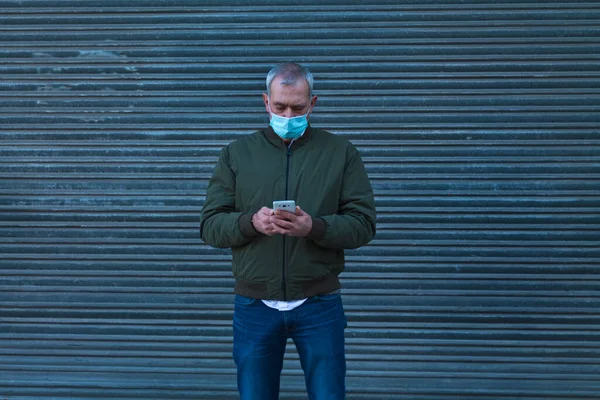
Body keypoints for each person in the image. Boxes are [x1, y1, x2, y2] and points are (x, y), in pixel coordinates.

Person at [200, 62, 376, 400]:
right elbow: (210, 225)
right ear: (266, 102)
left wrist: (315, 227)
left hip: (319, 304)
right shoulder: (236, 154)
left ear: (313, 103)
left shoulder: (341, 153)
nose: (288, 114)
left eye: (297, 106)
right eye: (280, 106)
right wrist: (251, 223)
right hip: (254, 305)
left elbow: (363, 225)